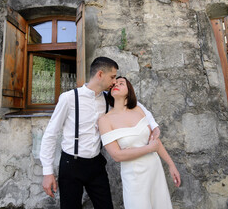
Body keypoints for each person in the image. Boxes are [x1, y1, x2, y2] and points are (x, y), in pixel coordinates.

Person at [40, 57, 161, 209]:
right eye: (112, 77)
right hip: (71, 164)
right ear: (100, 74)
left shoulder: (107, 99)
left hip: (96, 164)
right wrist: (47, 172)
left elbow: (135, 106)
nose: (114, 82)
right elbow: (51, 134)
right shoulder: (69, 98)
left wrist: (154, 125)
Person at [99, 76, 181, 209]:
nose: (116, 85)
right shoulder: (105, 120)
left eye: (121, 83)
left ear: (129, 90)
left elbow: (155, 141)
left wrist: (171, 165)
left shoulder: (138, 109)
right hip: (134, 176)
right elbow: (117, 155)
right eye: (114, 84)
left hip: (154, 168)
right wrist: (148, 149)